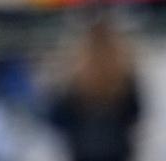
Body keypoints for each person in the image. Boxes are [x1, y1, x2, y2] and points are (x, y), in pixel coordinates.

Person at [48, 19, 142, 161]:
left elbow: (58, 118)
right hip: (117, 149)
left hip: (82, 150)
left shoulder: (74, 80)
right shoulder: (124, 78)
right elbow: (134, 114)